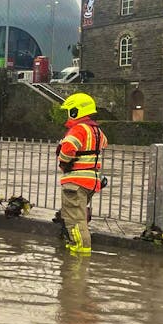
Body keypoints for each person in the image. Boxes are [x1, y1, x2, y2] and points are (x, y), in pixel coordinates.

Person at [57, 92, 109, 256]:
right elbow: (104, 144)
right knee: (79, 215)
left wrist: (63, 162)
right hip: (92, 181)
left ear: (75, 111)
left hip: (75, 181)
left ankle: (79, 254)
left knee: (75, 219)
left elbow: (67, 148)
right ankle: (75, 247)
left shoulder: (78, 129)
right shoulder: (97, 131)